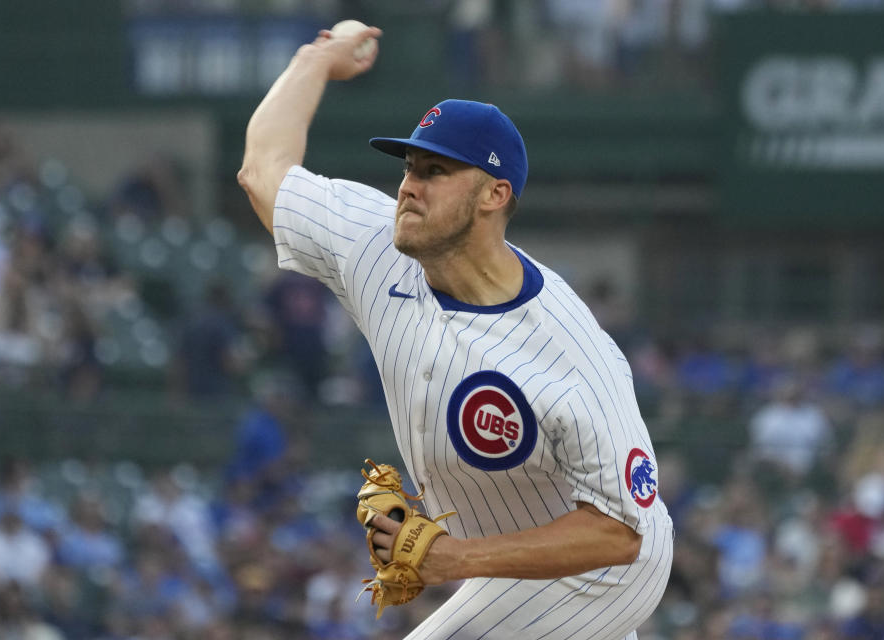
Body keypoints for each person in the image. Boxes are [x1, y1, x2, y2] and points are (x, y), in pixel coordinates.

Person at [237, 22, 673, 639]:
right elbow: (263, 170)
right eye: (408, 165)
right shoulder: (375, 244)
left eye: (435, 170)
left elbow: (621, 532)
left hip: (606, 569)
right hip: (511, 562)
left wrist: (454, 560)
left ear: (495, 194)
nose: (408, 186)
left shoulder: (568, 351)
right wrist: (316, 59)